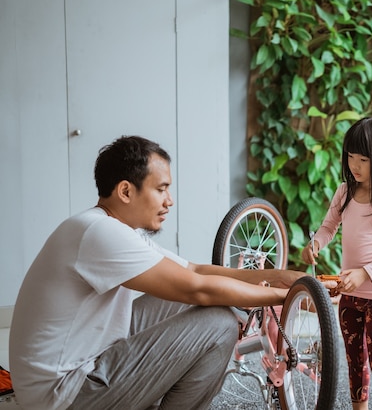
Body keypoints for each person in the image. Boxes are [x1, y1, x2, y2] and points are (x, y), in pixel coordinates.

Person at [9, 135, 309, 410]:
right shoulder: (98, 232)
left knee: (189, 300)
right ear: (126, 191)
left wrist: (282, 278)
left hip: (81, 365)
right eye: (161, 188)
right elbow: (197, 287)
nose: (170, 201)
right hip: (64, 395)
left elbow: (193, 269)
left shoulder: (108, 227)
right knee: (218, 322)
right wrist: (287, 296)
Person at [301, 117, 372, 410]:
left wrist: (365, 273)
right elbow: (328, 228)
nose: (355, 165)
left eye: (363, 159)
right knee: (354, 361)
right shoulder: (344, 192)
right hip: (349, 295)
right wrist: (315, 244)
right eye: (350, 156)